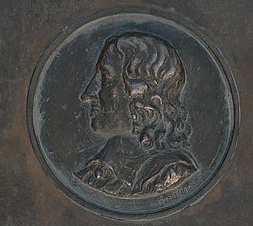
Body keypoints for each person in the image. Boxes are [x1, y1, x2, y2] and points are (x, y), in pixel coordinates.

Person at [75, 32, 199, 196]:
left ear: (141, 95)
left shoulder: (169, 174)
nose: (88, 94)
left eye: (106, 78)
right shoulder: (93, 173)